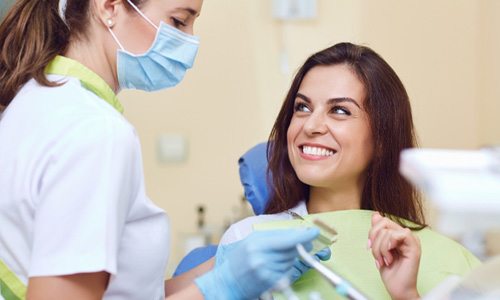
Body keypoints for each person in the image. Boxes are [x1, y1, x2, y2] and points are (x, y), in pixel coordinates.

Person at [0, 1, 328, 299]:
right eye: (179, 22)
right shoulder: (95, 132)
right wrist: (223, 287)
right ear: (109, 7)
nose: (190, 44)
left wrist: (221, 267)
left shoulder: (36, 102)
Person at [220, 42, 481, 299]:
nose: (311, 125)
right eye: (302, 107)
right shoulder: (247, 242)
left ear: (381, 139)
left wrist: (405, 295)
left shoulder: (453, 262)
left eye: (340, 111)